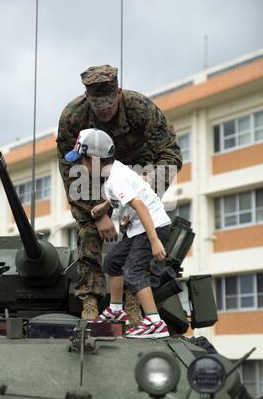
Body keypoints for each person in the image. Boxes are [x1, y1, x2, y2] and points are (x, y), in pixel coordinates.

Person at [57, 64, 182, 321]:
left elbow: (170, 154)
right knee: (88, 230)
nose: (104, 113)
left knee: (137, 231)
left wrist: (145, 184)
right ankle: (90, 299)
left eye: (109, 107)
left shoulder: (140, 108)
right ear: (87, 100)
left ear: (119, 94)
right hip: (91, 173)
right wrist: (98, 213)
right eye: (98, 108)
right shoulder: (73, 117)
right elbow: (70, 170)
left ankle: (133, 299)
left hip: (137, 171)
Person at [65, 129, 171, 339]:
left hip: (152, 227)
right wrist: (104, 207)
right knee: (112, 262)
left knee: (133, 271)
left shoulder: (115, 179)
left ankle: (155, 323)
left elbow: (140, 206)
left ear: (94, 159)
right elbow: (124, 196)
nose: (81, 166)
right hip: (139, 229)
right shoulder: (115, 172)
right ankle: (116, 310)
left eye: (83, 161)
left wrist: (154, 241)